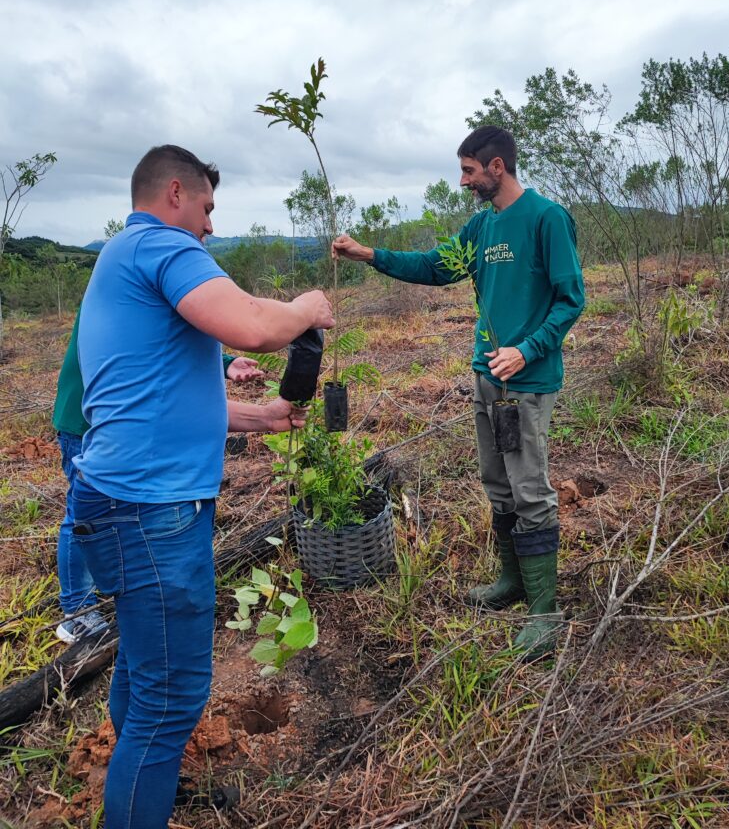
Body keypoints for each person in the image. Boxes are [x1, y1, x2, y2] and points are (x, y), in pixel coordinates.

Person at [72, 144, 334, 829]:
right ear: (176, 192)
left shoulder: (122, 258)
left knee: (143, 668)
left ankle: (146, 784)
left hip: (122, 503)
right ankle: (139, 801)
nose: (211, 226)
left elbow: (155, 399)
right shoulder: (162, 246)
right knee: (170, 698)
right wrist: (307, 306)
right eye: (209, 209)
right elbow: (253, 323)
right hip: (148, 514)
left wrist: (261, 417)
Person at [333, 126, 584, 660]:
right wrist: (367, 253)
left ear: (497, 167)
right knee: (498, 483)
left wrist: (527, 349)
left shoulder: (546, 218)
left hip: (527, 383)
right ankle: (510, 581)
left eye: (469, 170)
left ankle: (544, 611)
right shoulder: (480, 227)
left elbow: (571, 299)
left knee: (530, 488)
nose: (464, 181)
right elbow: (431, 266)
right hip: (485, 377)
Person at [52, 308, 263, 643]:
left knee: (113, 510)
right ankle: (76, 610)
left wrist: (224, 363)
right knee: (80, 515)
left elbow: (171, 338)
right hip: (89, 423)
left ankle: (124, 587)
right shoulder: (127, 289)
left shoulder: (140, 288)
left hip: (117, 423)